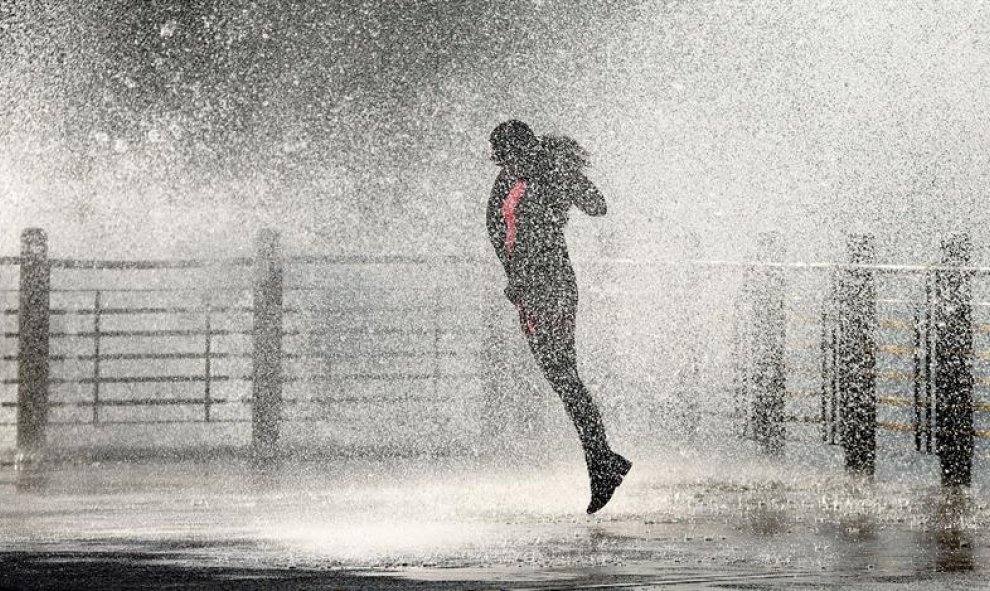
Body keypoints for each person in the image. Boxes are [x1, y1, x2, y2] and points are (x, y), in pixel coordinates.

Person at [486, 119, 631, 514]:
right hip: (528, 293)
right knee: (561, 377)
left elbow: (597, 206)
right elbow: (500, 232)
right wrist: (514, 278)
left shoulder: (549, 172)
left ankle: (602, 462)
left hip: (553, 286)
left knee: (564, 375)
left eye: (510, 157)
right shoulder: (506, 180)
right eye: (501, 159)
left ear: (527, 151)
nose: (505, 165)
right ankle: (602, 460)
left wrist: (565, 173)